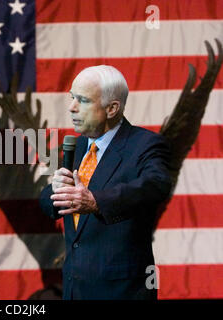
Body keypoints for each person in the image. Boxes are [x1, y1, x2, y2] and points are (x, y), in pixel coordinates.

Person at [39, 65, 172, 300]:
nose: (72, 107)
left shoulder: (145, 144)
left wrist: (96, 201)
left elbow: (156, 185)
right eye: (72, 98)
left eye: (83, 100)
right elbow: (52, 205)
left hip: (121, 292)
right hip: (74, 289)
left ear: (112, 108)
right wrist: (56, 190)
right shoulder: (79, 145)